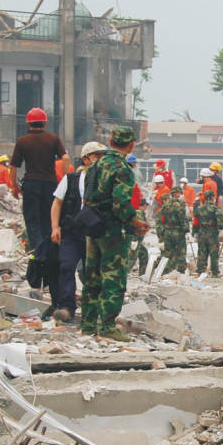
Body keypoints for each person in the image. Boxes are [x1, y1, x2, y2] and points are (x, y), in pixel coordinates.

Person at [80, 126, 148, 341]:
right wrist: (136, 222)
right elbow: (121, 206)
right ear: (131, 145)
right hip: (113, 229)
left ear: (110, 141)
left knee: (92, 276)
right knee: (113, 278)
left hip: (93, 225)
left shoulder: (95, 165)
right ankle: (108, 325)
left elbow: (89, 196)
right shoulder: (123, 168)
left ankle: (88, 324)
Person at [49, 141, 108, 323]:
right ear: (86, 158)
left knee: (93, 273)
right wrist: (55, 227)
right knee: (67, 266)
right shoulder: (71, 179)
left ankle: (93, 311)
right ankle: (67, 307)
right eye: (98, 156)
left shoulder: (105, 181)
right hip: (72, 233)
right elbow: (57, 203)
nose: (102, 160)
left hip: (95, 234)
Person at [10, 107, 69, 252]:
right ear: (44, 123)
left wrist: (14, 186)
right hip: (50, 184)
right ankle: (49, 249)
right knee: (48, 217)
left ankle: (38, 251)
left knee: (32, 218)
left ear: (29, 124)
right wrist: (66, 180)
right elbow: (66, 158)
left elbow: (13, 166)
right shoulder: (53, 139)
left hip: (30, 183)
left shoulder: (22, 141)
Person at [193, 190, 223, 277]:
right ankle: (214, 272)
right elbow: (220, 220)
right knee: (214, 253)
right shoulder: (215, 208)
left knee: (202, 252)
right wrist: (220, 227)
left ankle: (200, 271)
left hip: (202, 232)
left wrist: (195, 232)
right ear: (212, 197)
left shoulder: (199, 209)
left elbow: (195, 222)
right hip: (212, 232)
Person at [159, 186, 191, 274]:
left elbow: (163, 219)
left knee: (169, 252)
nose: (182, 195)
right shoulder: (179, 205)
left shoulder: (165, 205)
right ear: (176, 194)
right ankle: (180, 271)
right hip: (177, 231)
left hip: (167, 231)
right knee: (181, 252)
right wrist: (190, 219)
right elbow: (182, 218)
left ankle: (168, 270)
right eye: (180, 193)